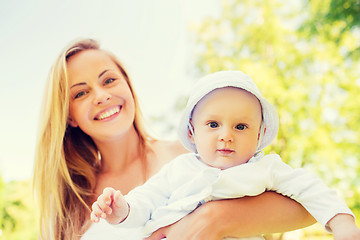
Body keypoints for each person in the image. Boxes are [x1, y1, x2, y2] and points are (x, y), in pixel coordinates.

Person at [33, 39, 316, 240]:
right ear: (68, 115)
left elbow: (308, 206)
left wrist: (212, 219)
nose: (101, 95)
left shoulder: (193, 156)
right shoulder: (70, 202)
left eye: (108, 80)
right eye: (81, 93)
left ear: (128, 86)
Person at [91, 71, 360, 240]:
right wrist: (120, 210)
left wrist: (343, 223)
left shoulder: (266, 168)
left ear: (259, 135)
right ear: (192, 132)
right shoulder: (180, 168)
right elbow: (145, 202)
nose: (226, 135)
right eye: (213, 124)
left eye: (241, 127)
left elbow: (310, 189)